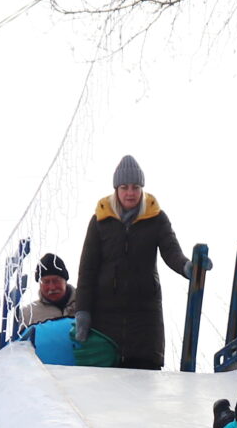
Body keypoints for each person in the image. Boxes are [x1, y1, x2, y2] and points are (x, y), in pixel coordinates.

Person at [75, 157, 189, 370]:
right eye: (125, 187)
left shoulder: (156, 218)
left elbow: (171, 250)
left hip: (145, 316)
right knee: (104, 385)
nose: (130, 193)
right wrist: (82, 312)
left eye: (135, 187)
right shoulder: (100, 221)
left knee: (143, 385)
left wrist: (186, 266)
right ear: (116, 189)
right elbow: (87, 271)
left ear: (142, 189)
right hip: (105, 316)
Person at [18, 253, 75, 327]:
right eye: (46, 282)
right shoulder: (27, 315)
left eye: (56, 281)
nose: (52, 287)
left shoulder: (86, 304)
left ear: (65, 281)